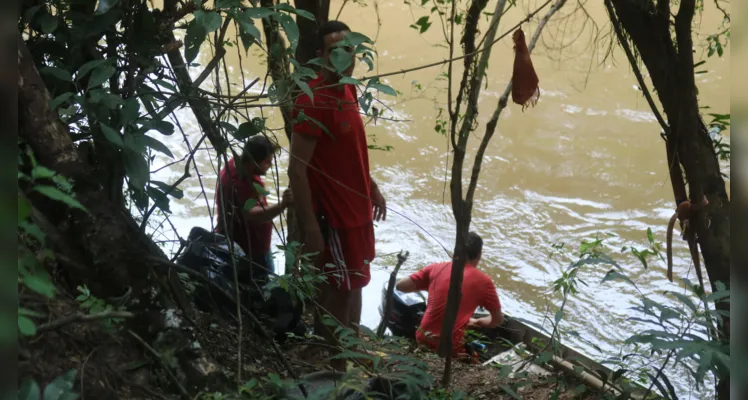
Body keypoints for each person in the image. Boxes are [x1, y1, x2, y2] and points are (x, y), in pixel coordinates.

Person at [288, 20, 386, 368]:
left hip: (358, 210)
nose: (343, 56)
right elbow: (296, 170)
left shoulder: (349, 90)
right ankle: (334, 363)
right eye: (334, 50)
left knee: (357, 281)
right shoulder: (313, 98)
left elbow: (351, 151)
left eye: (348, 49)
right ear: (320, 55)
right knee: (339, 289)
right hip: (336, 216)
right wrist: (310, 228)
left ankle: (350, 348)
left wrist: (371, 187)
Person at [395, 232, 503, 359]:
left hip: (423, 337)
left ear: (456, 251)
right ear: (479, 256)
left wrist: (430, 286)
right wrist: (478, 322)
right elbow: (497, 320)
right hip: (449, 348)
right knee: (475, 360)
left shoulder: (435, 268)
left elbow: (400, 285)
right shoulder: (484, 282)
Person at [214, 135, 292, 282]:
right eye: (267, 161)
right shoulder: (240, 182)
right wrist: (282, 205)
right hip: (249, 252)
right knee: (262, 288)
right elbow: (251, 215)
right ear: (253, 161)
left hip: (246, 246)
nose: (270, 164)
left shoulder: (235, 165)